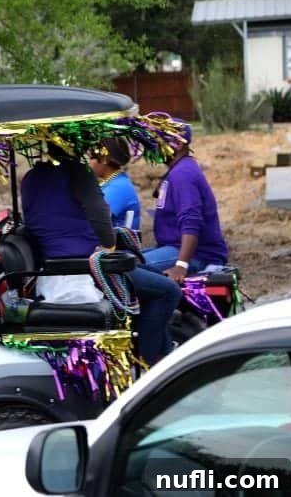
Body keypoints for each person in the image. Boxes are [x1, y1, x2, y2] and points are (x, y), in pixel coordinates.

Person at [20, 143, 181, 365]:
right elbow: (100, 215)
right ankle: (149, 363)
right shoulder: (76, 171)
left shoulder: (31, 177)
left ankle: (154, 350)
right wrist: (108, 245)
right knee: (168, 291)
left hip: (54, 266)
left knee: (153, 274)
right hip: (80, 269)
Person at [143, 120, 228, 283]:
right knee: (127, 260)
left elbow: (191, 220)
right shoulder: (179, 169)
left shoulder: (183, 174)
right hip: (173, 248)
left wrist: (181, 265)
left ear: (177, 144)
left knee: (126, 269)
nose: (153, 145)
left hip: (197, 255)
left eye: (160, 140)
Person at [88, 136, 141, 230]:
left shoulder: (118, 187)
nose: (89, 163)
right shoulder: (115, 181)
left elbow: (93, 219)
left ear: (104, 159)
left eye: (92, 158)